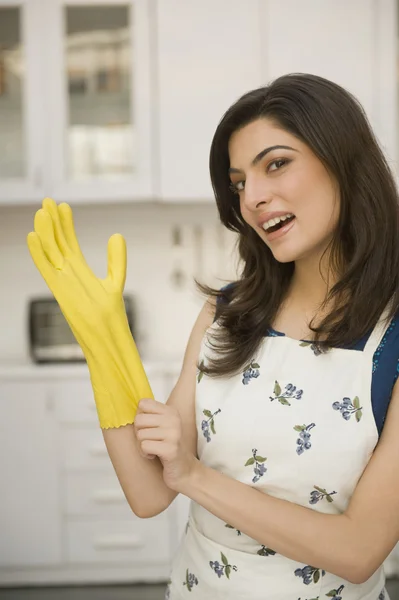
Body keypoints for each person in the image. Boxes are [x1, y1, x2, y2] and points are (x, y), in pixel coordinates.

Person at [27, 73, 399, 600]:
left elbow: (360, 551)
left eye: (276, 164)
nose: (253, 197)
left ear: (343, 160)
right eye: (239, 182)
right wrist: (103, 345)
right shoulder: (228, 314)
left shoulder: (391, 342)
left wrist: (193, 475)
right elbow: (150, 492)